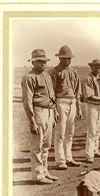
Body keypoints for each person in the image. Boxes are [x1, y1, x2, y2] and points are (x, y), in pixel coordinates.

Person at [21, 49, 58, 184]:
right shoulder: (29, 78)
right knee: (37, 144)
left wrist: (55, 112)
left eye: (44, 61)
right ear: (33, 62)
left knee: (46, 145)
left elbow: (52, 96)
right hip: (38, 112)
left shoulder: (47, 76)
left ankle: (45, 171)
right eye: (39, 61)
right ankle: (37, 175)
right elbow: (27, 100)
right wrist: (32, 120)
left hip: (49, 111)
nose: (43, 64)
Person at [48, 45, 82, 170]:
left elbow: (78, 90)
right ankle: (60, 160)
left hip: (72, 101)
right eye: (64, 58)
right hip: (60, 102)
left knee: (70, 132)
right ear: (59, 58)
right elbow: (51, 91)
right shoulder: (54, 71)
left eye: (68, 58)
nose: (67, 61)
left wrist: (78, 107)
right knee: (60, 132)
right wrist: (54, 108)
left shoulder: (73, 71)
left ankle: (69, 158)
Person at [82, 59, 100, 163]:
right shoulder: (88, 79)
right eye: (96, 67)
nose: (98, 69)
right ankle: (89, 155)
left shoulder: (99, 79)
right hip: (91, 106)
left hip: (99, 105)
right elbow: (90, 96)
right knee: (92, 131)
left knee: (98, 129)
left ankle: (95, 150)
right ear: (91, 67)